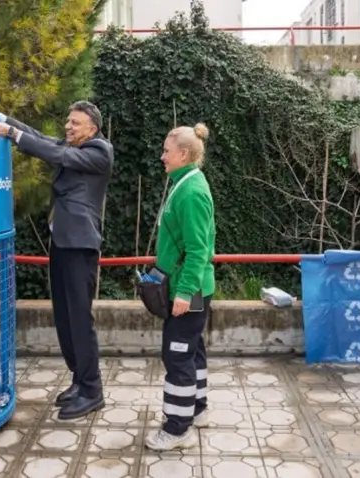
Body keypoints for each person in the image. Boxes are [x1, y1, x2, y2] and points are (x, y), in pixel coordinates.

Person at [0, 101, 114, 420]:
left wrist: (12, 134)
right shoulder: (75, 144)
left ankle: (93, 390)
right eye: (67, 121)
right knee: (65, 318)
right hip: (62, 242)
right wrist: (2, 118)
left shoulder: (99, 151)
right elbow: (42, 138)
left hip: (80, 245)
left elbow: (59, 154)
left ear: (92, 128)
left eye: (76, 123)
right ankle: (79, 381)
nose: (68, 127)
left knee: (80, 319)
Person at [145, 122, 217, 451]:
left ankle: (177, 429)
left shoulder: (191, 191)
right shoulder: (184, 183)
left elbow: (198, 250)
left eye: (166, 151)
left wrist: (185, 293)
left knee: (177, 356)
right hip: (189, 287)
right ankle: (197, 409)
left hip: (189, 289)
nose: (162, 156)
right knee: (192, 350)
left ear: (184, 154)